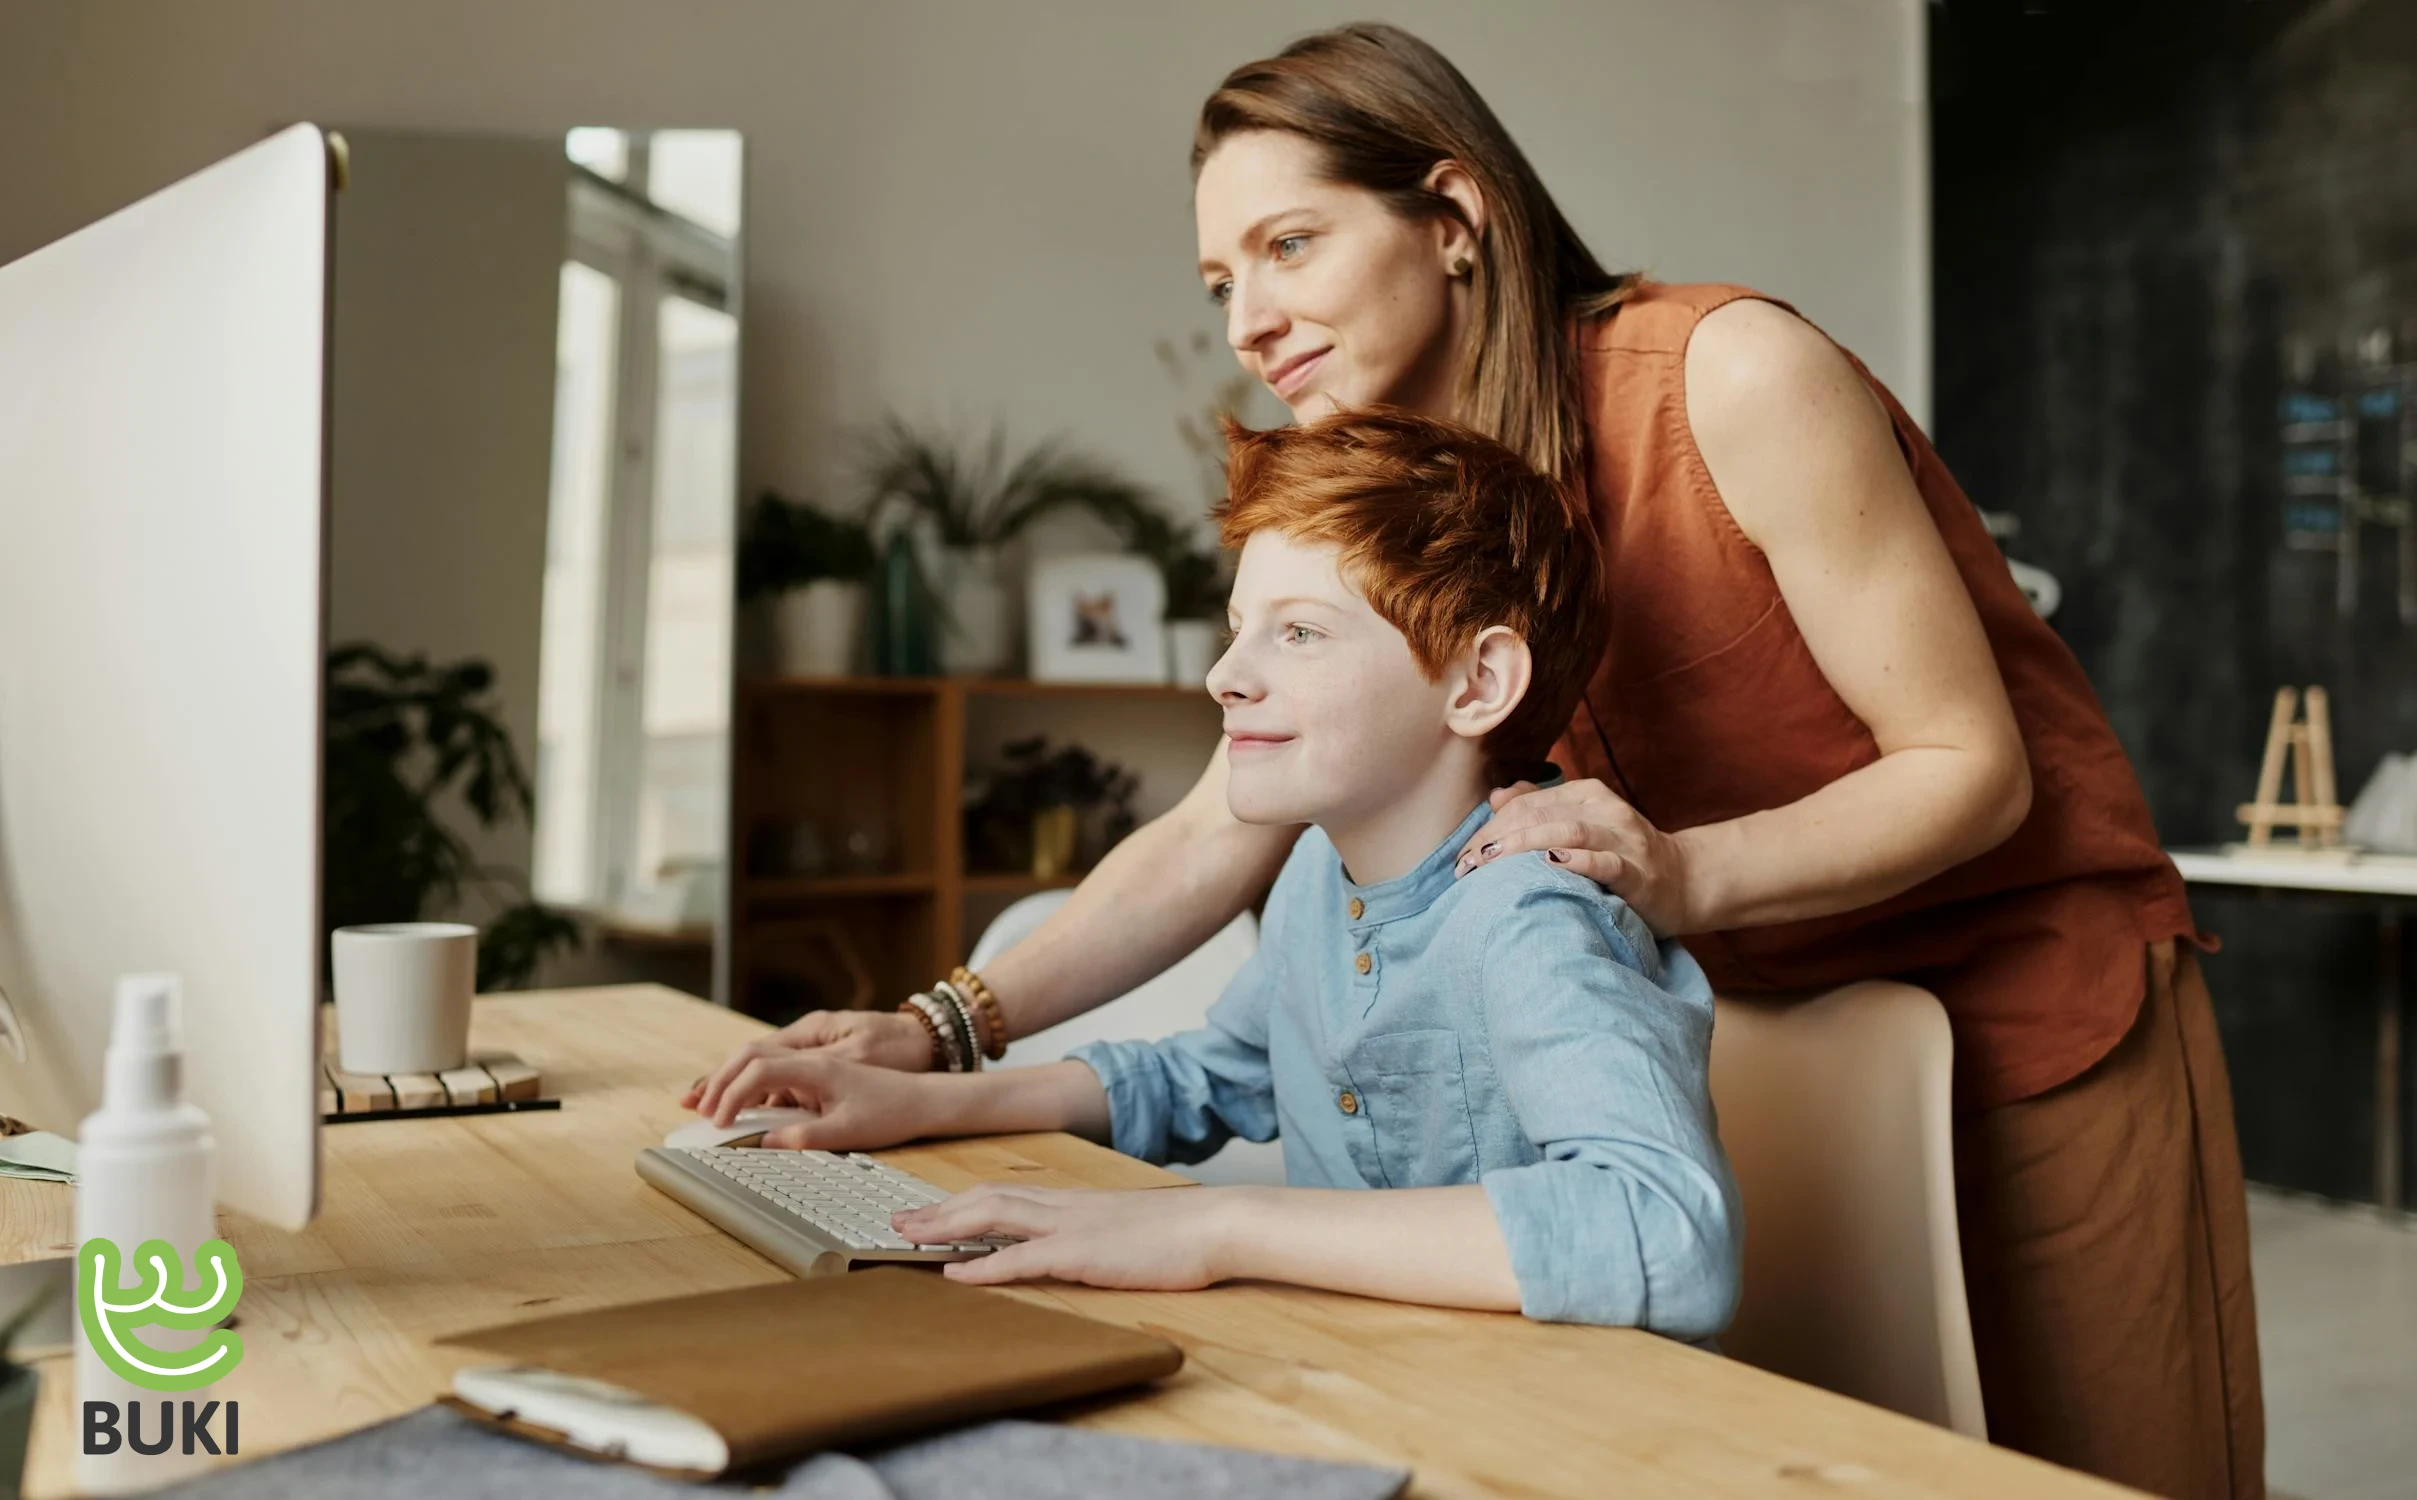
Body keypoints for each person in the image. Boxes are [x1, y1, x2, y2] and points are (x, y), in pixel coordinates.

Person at [689, 23, 2260, 1497]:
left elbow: (1968, 766)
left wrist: (1677, 870)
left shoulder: (1727, 373)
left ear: (1453, 213)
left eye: (1289, 246)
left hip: (2031, 1004)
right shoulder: (1406, 491)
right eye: (1219, 279)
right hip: (1752, 1022)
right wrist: (936, 1029)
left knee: (2104, 1473)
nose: (1248, 320)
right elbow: (1215, 826)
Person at [695, 411, 1742, 1338]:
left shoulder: (1531, 916)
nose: (1225, 675)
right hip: (1365, 1376)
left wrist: (1217, 1226)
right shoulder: (1313, 883)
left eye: (1296, 633)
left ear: (1476, 682)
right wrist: (916, 1101)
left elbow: (1664, 1228)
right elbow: (1210, 1077)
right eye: (1240, 627)